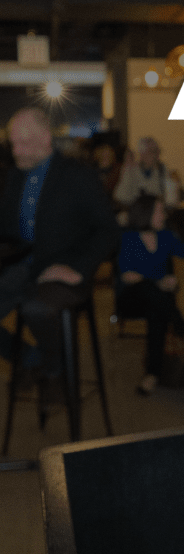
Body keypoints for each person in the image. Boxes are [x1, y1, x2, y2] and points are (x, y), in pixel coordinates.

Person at [0, 108, 119, 410]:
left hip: (64, 267)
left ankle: (54, 371)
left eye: (23, 143)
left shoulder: (77, 175)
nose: (16, 151)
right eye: (13, 144)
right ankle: (33, 359)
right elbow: (7, 228)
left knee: (37, 308)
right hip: (20, 266)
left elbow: (107, 230)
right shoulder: (14, 175)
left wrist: (79, 268)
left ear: (45, 138)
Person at [117, 195, 184, 395]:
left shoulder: (166, 236)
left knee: (156, 310)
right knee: (148, 288)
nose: (164, 215)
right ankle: (183, 329)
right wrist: (157, 281)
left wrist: (174, 279)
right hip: (131, 298)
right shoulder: (129, 238)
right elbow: (127, 276)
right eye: (160, 211)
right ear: (146, 213)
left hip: (158, 300)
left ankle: (152, 374)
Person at [113, 137, 181, 208]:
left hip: (156, 211)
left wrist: (174, 185)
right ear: (142, 154)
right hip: (136, 211)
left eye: (157, 151)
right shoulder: (131, 170)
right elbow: (121, 196)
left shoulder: (162, 169)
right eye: (152, 151)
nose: (156, 155)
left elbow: (171, 199)